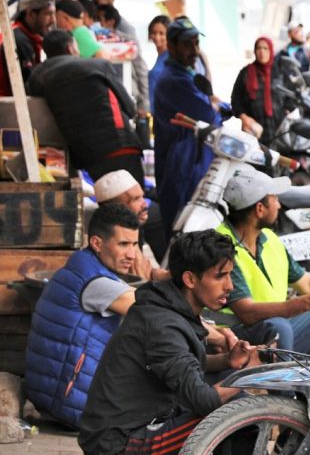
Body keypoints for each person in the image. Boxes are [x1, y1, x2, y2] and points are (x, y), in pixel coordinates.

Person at [78, 230, 259, 455]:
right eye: (220, 276)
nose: (229, 286)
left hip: (134, 426)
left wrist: (226, 360)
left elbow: (181, 364)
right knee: (236, 412)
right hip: (119, 443)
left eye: (230, 275)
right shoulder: (163, 325)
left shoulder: (170, 309)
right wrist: (250, 374)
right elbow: (204, 400)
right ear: (190, 279)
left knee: (235, 400)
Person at [25, 203, 141, 428]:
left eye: (135, 244)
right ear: (97, 243)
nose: (132, 254)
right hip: (73, 405)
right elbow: (158, 313)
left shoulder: (82, 268)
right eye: (124, 244)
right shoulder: (96, 283)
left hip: (52, 396)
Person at [216, 165, 310, 352]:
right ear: (260, 209)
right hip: (233, 336)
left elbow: (307, 284)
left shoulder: (270, 239)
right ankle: (285, 371)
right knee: (279, 328)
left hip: (272, 326)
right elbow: (247, 312)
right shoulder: (221, 246)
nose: (279, 206)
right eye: (275, 199)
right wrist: (305, 303)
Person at [26, 30, 145, 185]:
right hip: (120, 145)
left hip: (86, 155)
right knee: (134, 197)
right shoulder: (98, 65)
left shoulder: (38, 77)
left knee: (108, 199)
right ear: (70, 48)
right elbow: (129, 108)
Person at [153, 16, 222, 235]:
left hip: (195, 159)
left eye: (196, 43)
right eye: (187, 44)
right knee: (186, 231)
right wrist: (218, 108)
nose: (194, 50)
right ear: (171, 46)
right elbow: (208, 114)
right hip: (182, 165)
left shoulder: (188, 74)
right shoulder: (174, 80)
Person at [94, 170, 169, 280]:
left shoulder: (131, 232)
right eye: (136, 199)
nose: (144, 204)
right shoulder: (111, 246)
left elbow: (148, 272)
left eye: (142, 197)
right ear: (116, 207)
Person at [231, 36, 291, 146]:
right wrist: (244, 118)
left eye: (265, 48)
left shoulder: (280, 72)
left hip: (278, 131)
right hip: (253, 129)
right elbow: (235, 100)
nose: (262, 52)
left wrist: (287, 112)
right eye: (259, 48)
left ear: (271, 50)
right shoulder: (246, 72)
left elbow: (290, 96)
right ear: (255, 51)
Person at [97, 3, 150, 115]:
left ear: (111, 22)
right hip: (105, 99)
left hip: (128, 95)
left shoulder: (127, 42)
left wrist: (144, 102)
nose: (97, 24)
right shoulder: (95, 43)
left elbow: (140, 70)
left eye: (99, 19)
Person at [0, 0, 55, 96]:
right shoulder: (19, 40)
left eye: (53, 14)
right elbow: (30, 85)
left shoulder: (19, 34)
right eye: (48, 14)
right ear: (30, 14)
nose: (53, 20)